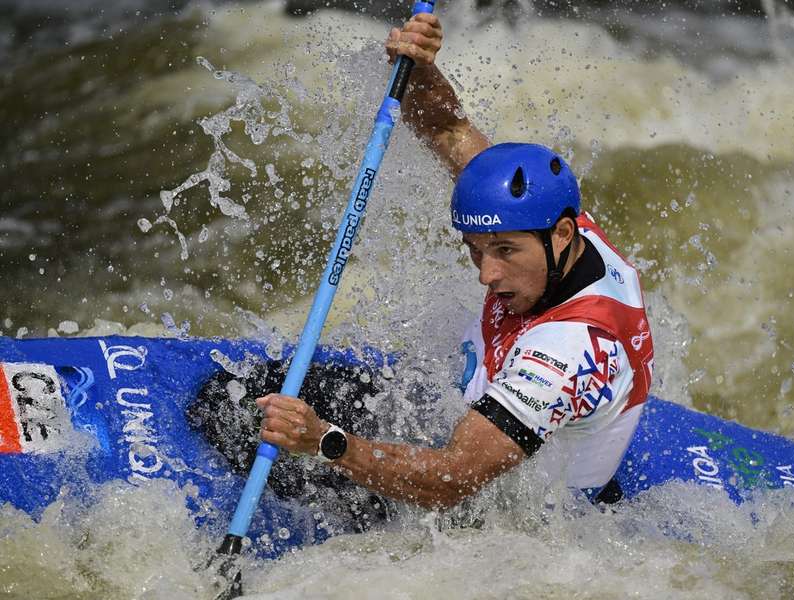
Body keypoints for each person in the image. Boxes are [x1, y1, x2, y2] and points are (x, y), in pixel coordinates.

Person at [254, 13, 654, 509]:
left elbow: (451, 482)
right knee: (241, 394)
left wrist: (324, 441)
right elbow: (447, 128)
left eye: (505, 251)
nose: (487, 275)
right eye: (475, 249)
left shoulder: (571, 354)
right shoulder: (557, 225)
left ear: (563, 233)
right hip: (479, 424)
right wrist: (420, 67)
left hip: (505, 513)